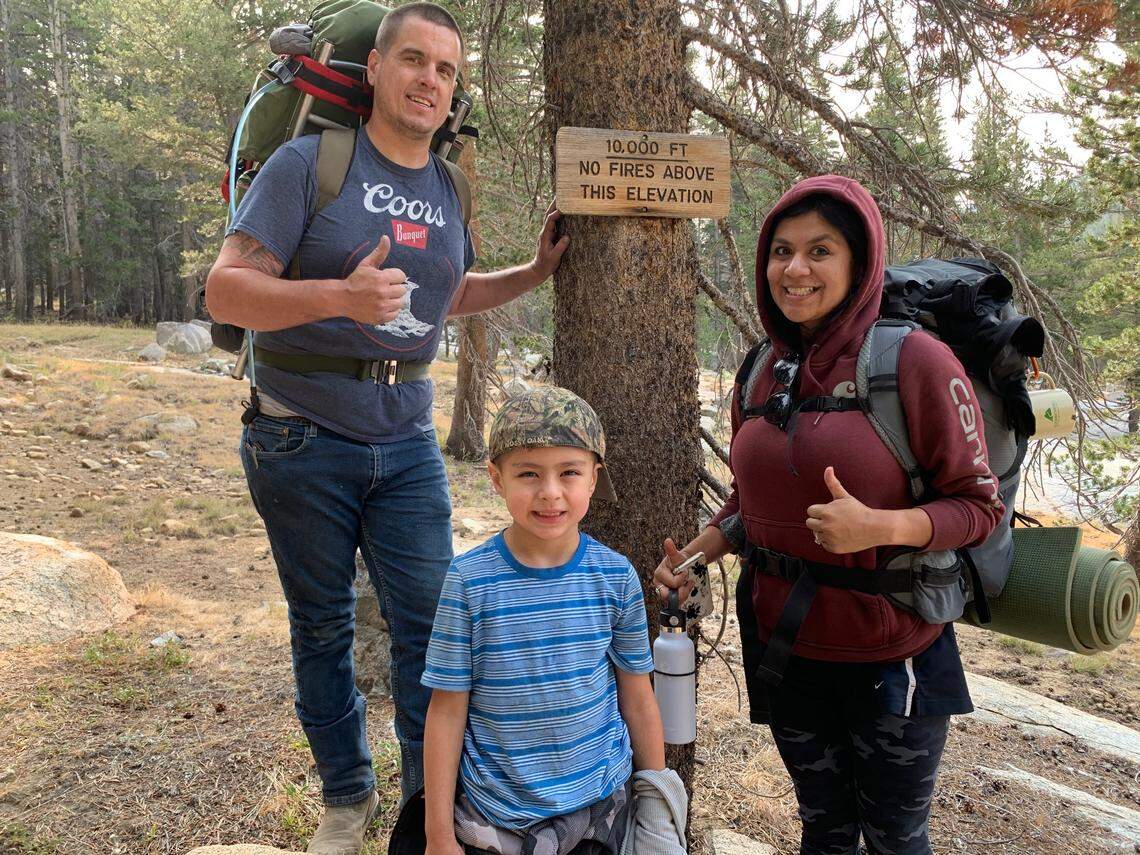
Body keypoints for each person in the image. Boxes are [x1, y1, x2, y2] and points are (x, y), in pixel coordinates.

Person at [204, 4, 568, 852]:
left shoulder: (448, 185)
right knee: (323, 624)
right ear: (374, 69)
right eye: (413, 60)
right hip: (300, 436)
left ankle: (425, 806)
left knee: (433, 626)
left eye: (445, 70)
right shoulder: (309, 164)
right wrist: (338, 294)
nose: (428, 80)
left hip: (405, 446)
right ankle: (345, 793)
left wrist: (533, 271)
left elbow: (450, 292)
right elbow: (225, 291)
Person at [654, 175, 1004, 855]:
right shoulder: (761, 369)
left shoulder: (917, 362)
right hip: (791, 651)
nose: (795, 268)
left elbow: (979, 505)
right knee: (823, 831)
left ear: (860, 262)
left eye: (820, 251)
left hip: (894, 654)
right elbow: (748, 504)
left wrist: (883, 526)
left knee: (896, 839)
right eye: (781, 251)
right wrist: (698, 551)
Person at [420, 387, 666, 855]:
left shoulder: (615, 577)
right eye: (528, 473)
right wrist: (438, 835)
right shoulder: (469, 582)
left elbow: (637, 697)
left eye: (569, 473)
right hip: (496, 813)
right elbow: (447, 710)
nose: (550, 493)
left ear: (594, 479)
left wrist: (657, 809)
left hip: (599, 809)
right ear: (496, 478)